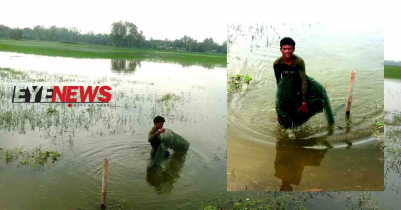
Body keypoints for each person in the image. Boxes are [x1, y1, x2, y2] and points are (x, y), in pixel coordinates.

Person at [273, 37, 308, 118]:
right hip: (286, 88)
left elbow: (304, 81)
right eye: (284, 49)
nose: (287, 51)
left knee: (301, 113)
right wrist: (280, 102)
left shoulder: (299, 61)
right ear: (280, 49)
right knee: (282, 116)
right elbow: (278, 82)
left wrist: (304, 101)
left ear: (293, 49)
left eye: (289, 49)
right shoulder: (277, 63)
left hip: (298, 86)